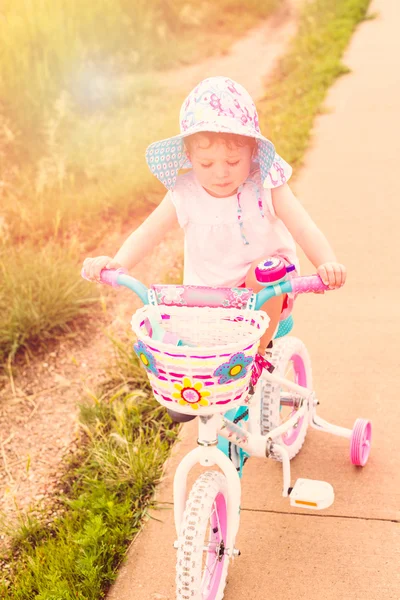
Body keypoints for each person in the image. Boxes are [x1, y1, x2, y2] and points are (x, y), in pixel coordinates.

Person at [83, 76, 346, 357]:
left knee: (265, 270)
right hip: (208, 300)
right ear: (189, 156)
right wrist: (117, 263)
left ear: (253, 151)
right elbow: (148, 232)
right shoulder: (184, 193)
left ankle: (256, 356)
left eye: (233, 162)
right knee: (187, 364)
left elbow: (303, 227)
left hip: (261, 295)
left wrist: (326, 263)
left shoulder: (266, 187)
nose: (221, 173)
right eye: (206, 164)